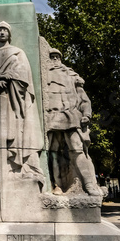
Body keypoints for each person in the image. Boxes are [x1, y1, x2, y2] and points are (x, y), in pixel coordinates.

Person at [0, 21, 44, 184]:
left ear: (9, 34)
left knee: (12, 131)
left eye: (5, 30)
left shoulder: (18, 52)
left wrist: (9, 80)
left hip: (12, 98)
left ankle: (16, 166)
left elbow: (23, 73)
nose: (2, 32)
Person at [45, 49, 100, 196]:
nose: (55, 59)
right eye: (52, 57)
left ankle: (88, 183)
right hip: (52, 117)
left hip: (72, 116)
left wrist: (86, 114)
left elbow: (84, 98)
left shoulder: (71, 75)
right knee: (53, 152)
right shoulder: (43, 75)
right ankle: (57, 185)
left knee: (78, 150)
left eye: (57, 56)